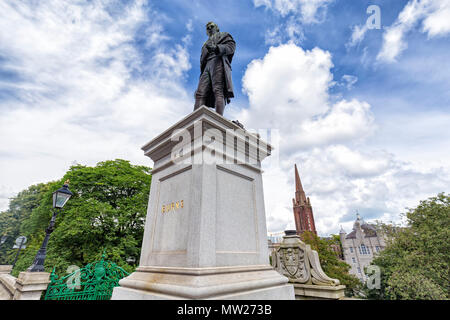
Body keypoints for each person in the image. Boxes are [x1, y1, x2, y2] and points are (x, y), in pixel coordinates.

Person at [194, 22, 235, 116]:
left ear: (217, 28)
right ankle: (195, 117)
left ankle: (218, 118)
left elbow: (231, 47)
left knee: (218, 90)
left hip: (217, 61)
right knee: (200, 93)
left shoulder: (224, 35)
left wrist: (217, 48)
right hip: (207, 66)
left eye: (211, 26)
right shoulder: (205, 44)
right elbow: (202, 60)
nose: (209, 28)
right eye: (207, 28)